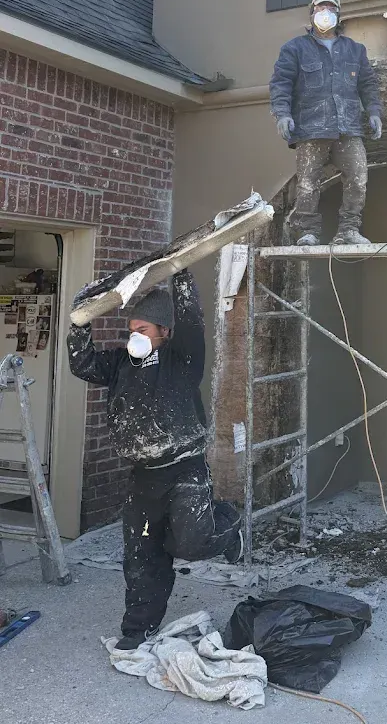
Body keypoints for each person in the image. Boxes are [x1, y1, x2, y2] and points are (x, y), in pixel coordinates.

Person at [67, 269, 242, 650]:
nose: (135, 338)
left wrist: (179, 273)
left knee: (191, 544)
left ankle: (229, 524)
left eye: (143, 330)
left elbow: (192, 318)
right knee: (142, 555)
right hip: (144, 479)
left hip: (186, 471)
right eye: (131, 329)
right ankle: (138, 629)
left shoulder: (183, 360)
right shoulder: (117, 364)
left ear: (165, 332)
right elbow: (81, 364)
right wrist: (80, 320)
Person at [269, 0, 383, 246]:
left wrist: (374, 112)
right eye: (320, 8)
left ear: (338, 15)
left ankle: (348, 231)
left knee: (358, 177)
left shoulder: (355, 50)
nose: (325, 13)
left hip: (348, 127)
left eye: (330, 8)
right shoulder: (295, 49)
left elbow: (368, 85)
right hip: (311, 128)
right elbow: (281, 84)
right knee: (308, 182)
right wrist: (282, 115)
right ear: (312, 14)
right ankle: (307, 232)